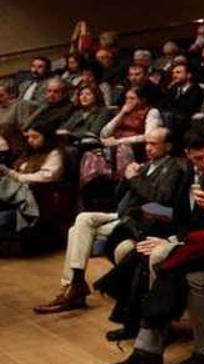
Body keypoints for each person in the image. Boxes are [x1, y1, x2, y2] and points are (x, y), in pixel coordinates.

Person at [98, 125, 204, 364]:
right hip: (193, 242)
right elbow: (182, 218)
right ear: (187, 155)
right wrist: (173, 238)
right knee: (145, 251)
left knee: (163, 259)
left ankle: (150, 342)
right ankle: (149, 338)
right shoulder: (188, 172)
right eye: (197, 158)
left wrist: (175, 243)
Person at [34, 128, 180, 315]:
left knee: (76, 229)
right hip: (122, 214)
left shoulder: (172, 168)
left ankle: (73, 288)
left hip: (140, 220)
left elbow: (160, 198)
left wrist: (133, 178)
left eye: (154, 144)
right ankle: (75, 284)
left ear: (167, 146)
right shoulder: (145, 165)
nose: (148, 148)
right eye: (147, 143)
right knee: (82, 219)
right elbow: (119, 197)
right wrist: (126, 178)